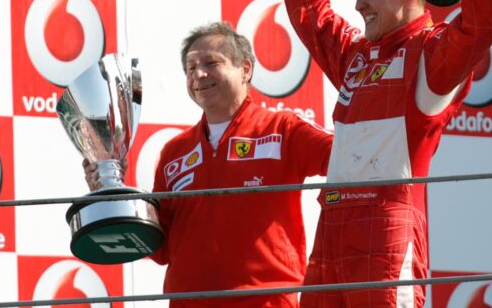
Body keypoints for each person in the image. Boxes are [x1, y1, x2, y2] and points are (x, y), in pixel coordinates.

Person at [279, 0, 492, 307]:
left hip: (387, 228)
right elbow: (310, 12)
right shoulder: (356, 55)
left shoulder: (431, 54)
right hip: (331, 229)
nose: (357, 4)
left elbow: (478, 28)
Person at [84, 22, 333, 308]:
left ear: (245, 69)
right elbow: (161, 247)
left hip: (266, 302)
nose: (199, 74)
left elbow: (350, 157)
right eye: (190, 68)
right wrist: (112, 195)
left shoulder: (283, 129)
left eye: (212, 63)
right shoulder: (174, 152)